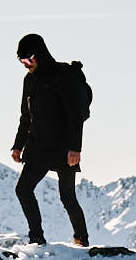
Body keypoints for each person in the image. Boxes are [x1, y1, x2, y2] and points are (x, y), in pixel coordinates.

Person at [11, 32, 90, 247]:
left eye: (28, 59)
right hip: (38, 146)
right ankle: (36, 239)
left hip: (63, 146)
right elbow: (25, 116)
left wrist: (75, 148)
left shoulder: (62, 75)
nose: (26, 65)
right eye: (22, 61)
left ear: (40, 55)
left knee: (67, 197)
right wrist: (18, 146)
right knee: (23, 190)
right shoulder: (30, 80)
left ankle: (82, 240)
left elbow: (76, 114)